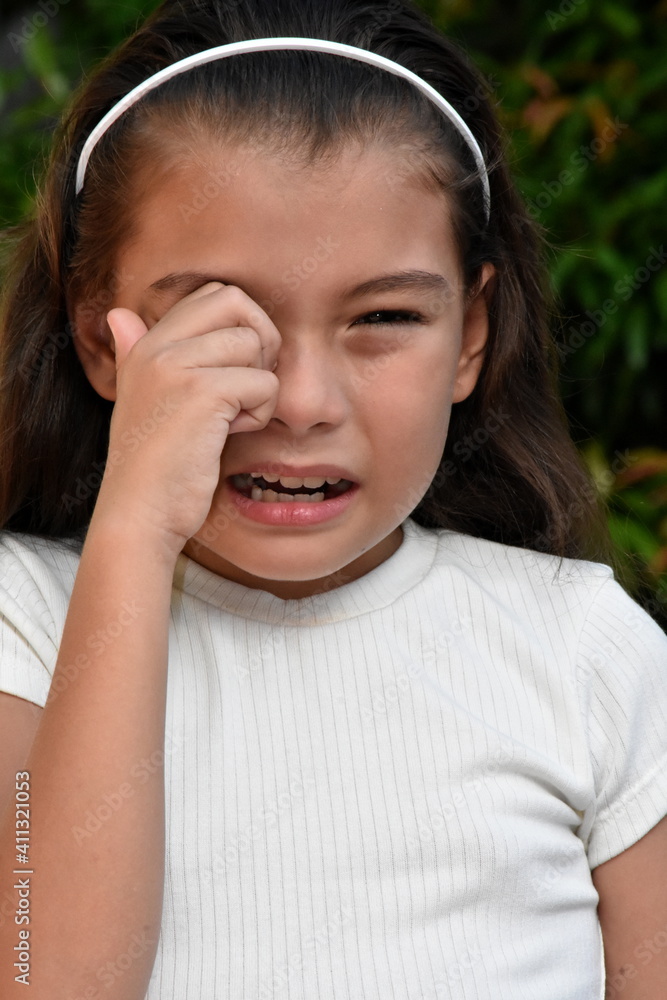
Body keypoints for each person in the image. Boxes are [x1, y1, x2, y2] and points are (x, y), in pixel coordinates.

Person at [0, 0, 665, 996]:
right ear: (103, 337)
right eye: (221, 317)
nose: (302, 401)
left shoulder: (584, 650)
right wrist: (134, 528)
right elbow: (46, 977)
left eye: (385, 315)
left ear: (470, 335)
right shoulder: (25, 620)